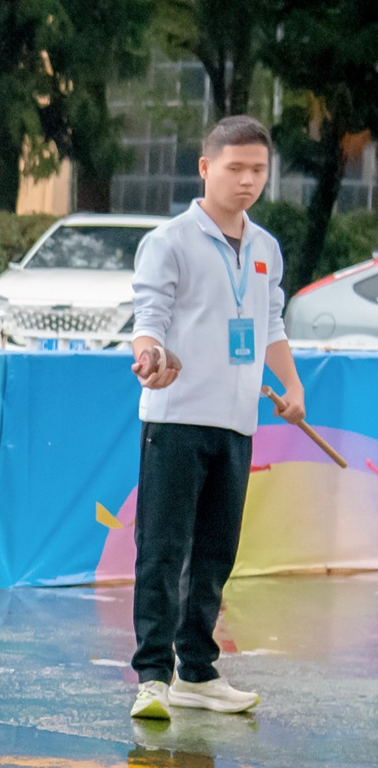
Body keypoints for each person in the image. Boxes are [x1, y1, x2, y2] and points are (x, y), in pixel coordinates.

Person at [126, 114, 297, 721]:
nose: (248, 180)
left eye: (258, 170)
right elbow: (148, 318)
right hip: (176, 419)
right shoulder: (168, 241)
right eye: (235, 168)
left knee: (216, 554)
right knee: (162, 550)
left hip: (238, 422)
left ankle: (197, 673)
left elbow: (270, 324)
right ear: (205, 168)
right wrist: (150, 357)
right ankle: (153, 677)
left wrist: (292, 385)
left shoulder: (265, 248)